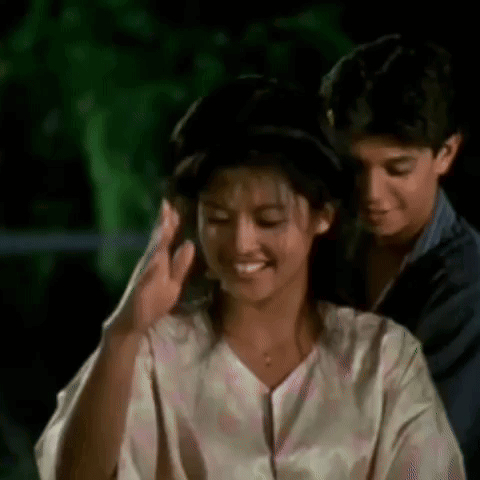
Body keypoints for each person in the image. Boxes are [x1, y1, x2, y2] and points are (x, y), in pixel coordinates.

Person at [35, 76, 464, 479]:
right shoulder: (151, 356)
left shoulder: (382, 361)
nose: (241, 244)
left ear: (323, 216)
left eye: (268, 220)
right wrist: (123, 332)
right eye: (219, 218)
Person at [318, 34, 480, 477]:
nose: (372, 193)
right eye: (356, 167)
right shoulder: (328, 242)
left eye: (397, 169)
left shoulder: (467, 289)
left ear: (445, 154)